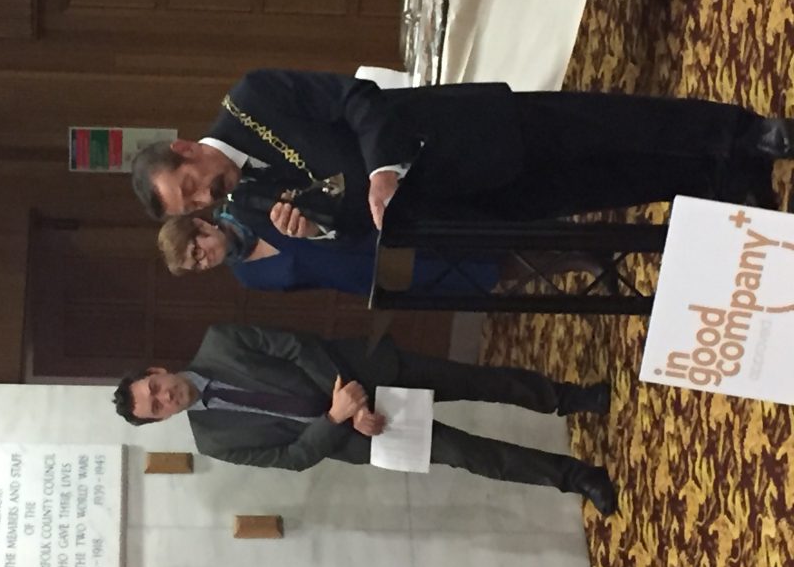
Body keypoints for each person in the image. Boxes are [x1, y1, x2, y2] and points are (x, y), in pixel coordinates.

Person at [130, 69, 790, 237]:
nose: (205, 199)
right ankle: (723, 175)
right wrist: (321, 229)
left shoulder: (253, 97)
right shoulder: (247, 202)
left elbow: (357, 99)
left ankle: (742, 133)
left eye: (191, 186)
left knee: (607, 127)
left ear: (186, 150)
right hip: (457, 202)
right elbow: (354, 221)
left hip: (459, 132)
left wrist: (382, 171)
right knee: (603, 183)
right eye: (193, 207)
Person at [112, 322, 618, 515]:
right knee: (472, 456)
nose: (164, 397)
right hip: (359, 436)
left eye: (154, 388)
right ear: (161, 420)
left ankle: (573, 398)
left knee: (478, 383)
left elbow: (295, 345)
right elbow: (291, 458)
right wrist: (340, 418)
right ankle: (578, 477)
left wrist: (343, 395)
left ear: (157, 371)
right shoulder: (214, 442)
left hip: (366, 371)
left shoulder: (219, 342)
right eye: (157, 407)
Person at [156, 204, 609, 295]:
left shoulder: (250, 205)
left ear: (201, 224)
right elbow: (311, 282)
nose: (205, 259)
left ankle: (572, 234)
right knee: (485, 272)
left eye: (198, 249)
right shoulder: (247, 277)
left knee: (476, 235)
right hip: (372, 274)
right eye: (197, 265)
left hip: (372, 232)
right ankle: (576, 262)